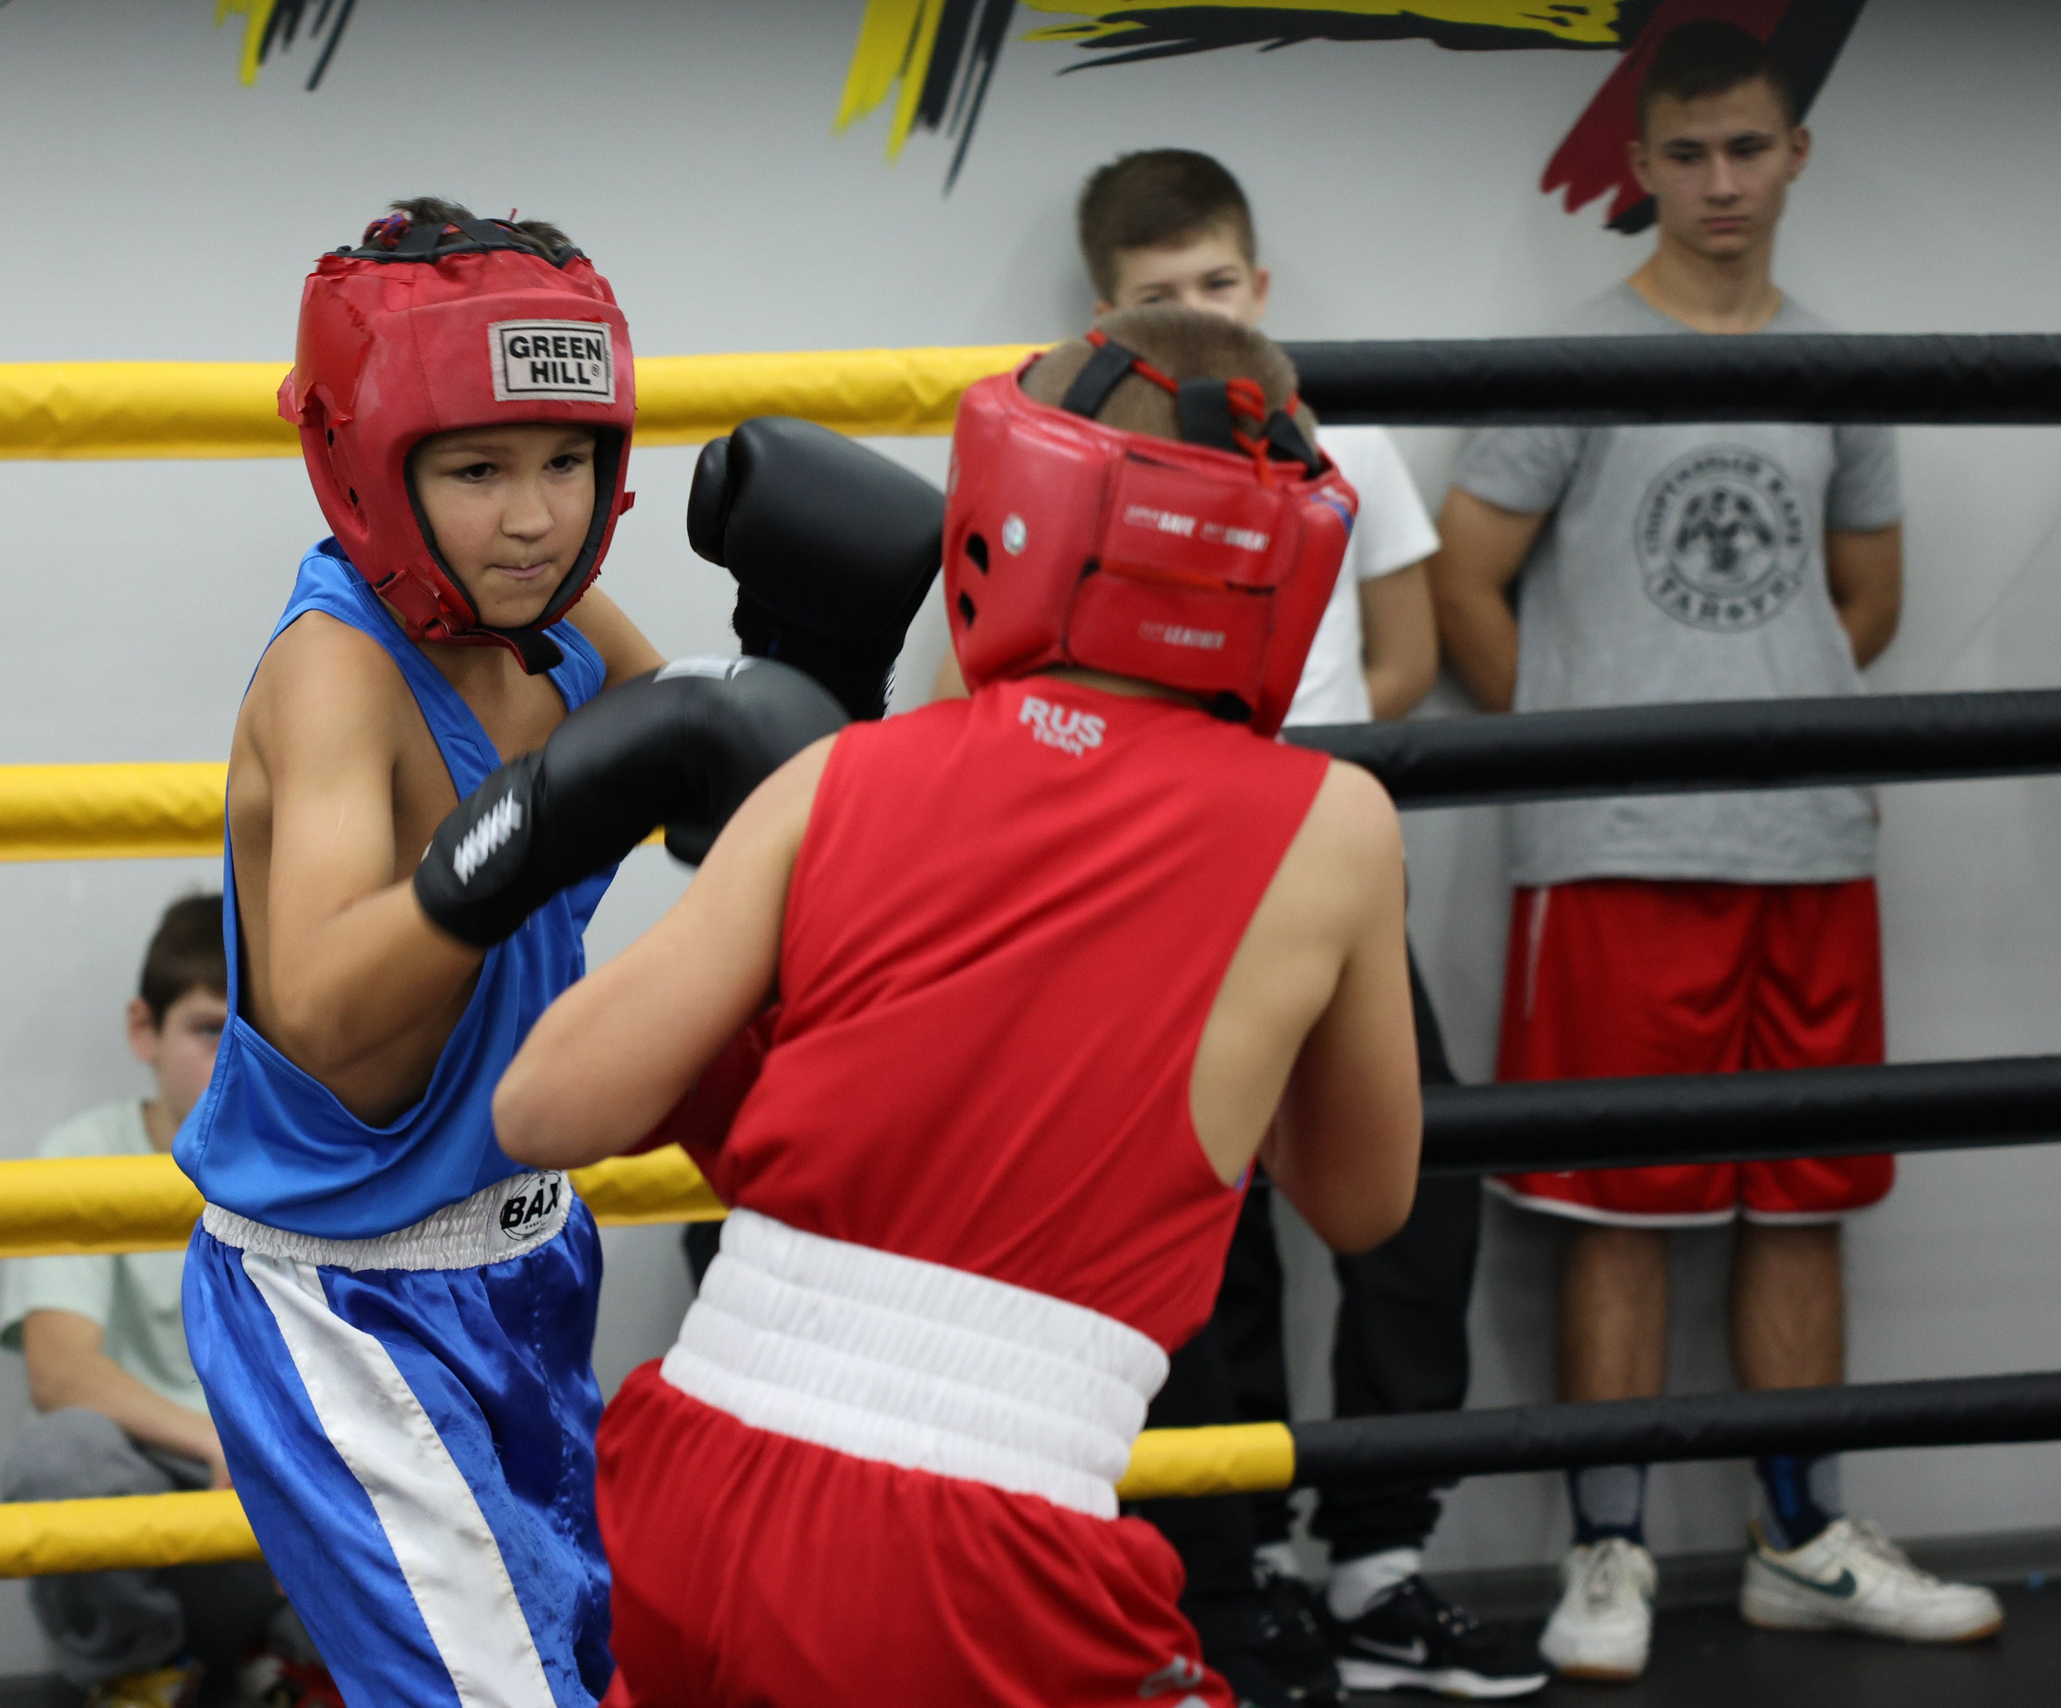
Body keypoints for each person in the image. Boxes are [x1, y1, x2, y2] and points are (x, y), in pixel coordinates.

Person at [497, 306, 1423, 1708]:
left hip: (691, 1471)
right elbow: (1359, 1203)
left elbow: (544, 1106)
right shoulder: (1333, 827)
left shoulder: (837, 779)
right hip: (984, 1544)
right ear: (1278, 558)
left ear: (1018, 505)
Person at [170, 199, 898, 1708]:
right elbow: (314, 999)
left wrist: (828, 682)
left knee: (587, 1669)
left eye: (567, 461)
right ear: (373, 471)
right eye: (479, 468)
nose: (535, 517)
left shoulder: (561, 633)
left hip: (530, 1258)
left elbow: (743, 803)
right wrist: (534, 827)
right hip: (345, 1298)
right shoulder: (334, 679)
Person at [1428, 22, 2001, 1682]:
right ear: (1645, 167)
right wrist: (1596, 754)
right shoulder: (1576, 357)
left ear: (1793, 154)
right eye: (1687, 155)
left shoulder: (1843, 364)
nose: (1721, 184)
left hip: (1810, 841)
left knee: (1799, 1193)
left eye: (1748, 149)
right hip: (1614, 852)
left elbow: (1867, 599)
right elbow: (1466, 584)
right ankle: (1607, 1548)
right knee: (1620, 1203)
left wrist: (1768, 713)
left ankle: (1799, 1536)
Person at [965, 148, 1534, 1704]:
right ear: (1106, 314)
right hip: (1163, 893)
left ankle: (1379, 1561)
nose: (1200, 320)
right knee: (1202, 1235)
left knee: (1418, 1199)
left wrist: (1296, 766)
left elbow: (1404, 658)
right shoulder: (1071, 460)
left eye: (1219, 288)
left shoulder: (1343, 450)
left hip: (1325, 878)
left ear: (1260, 290)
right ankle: (1227, 1577)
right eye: (1163, 301)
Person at [0, 895, 296, 1708]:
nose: (233, 1055)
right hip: (158, 1506)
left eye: (256, 1030)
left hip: (278, 1516)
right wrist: (213, 1442)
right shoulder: (81, 1158)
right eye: (208, 1028)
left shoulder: (308, 1166)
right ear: (144, 1031)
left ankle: (283, 1657)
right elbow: (58, 1374)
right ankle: (141, 1676)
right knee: (58, 1456)